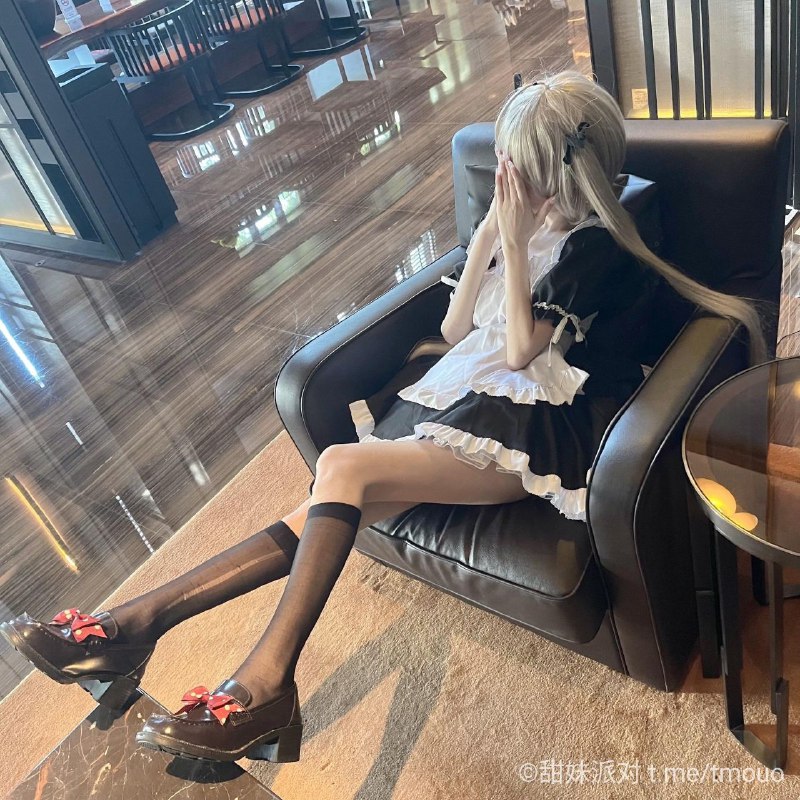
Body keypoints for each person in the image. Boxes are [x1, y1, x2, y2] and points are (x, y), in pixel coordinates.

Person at [0, 71, 764, 765]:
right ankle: (138, 626)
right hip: (482, 405)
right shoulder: (516, 226)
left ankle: (261, 684)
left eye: (518, 165)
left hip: (545, 430)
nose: (506, 177)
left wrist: (517, 240)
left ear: (559, 171)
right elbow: (460, 331)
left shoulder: (599, 245)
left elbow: (522, 351)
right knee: (328, 503)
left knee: (342, 467)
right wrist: (490, 239)